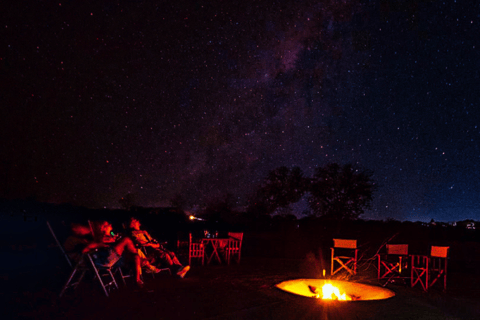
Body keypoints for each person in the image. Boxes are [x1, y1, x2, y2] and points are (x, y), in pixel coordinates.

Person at [82, 220, 160, 288]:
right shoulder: (100, 238)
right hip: (106, 260)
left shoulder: (109, 237)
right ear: (103, 228)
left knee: (135, 256)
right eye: (108, 225)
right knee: (127, 240)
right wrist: (105, 243)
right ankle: (143, 261)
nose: (111, 226)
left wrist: (115, 241)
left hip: (116, 260)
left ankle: (137, 279)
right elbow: (89, 247)